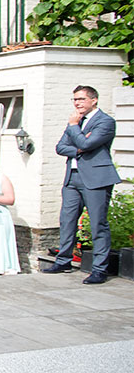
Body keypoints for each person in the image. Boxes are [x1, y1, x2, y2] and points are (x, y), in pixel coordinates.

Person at [43, 85, 121, 284]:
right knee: (67, 221)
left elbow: (88, 144)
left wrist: (74, 130)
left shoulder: (105, 121)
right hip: (72, 178)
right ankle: (63, 261)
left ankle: (99, 269)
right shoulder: (77, 122)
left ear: (94, 100)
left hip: (96, 178)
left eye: (81, 99)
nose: (77, 103)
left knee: (98, 224)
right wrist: (78, 147)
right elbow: (60, 147)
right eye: (75, 100)